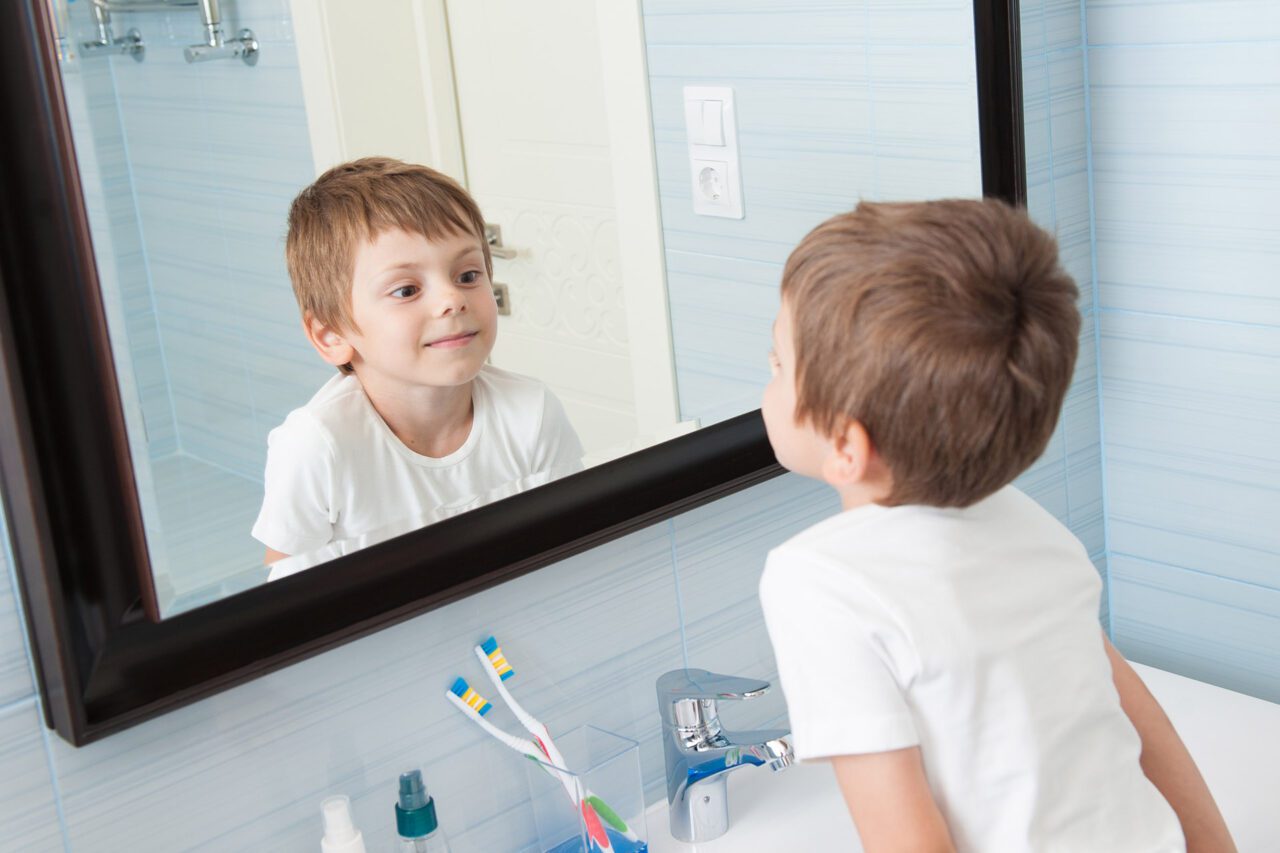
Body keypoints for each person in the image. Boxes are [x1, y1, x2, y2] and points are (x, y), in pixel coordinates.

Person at [758, 198, 1234, 851]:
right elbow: (1135, 714)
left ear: (846, 444)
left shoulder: (819, 581)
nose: (771, 373)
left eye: (779, 364)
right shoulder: (1022, 518)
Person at [253, 157, 583, 566]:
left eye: (467, 275)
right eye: (407, 289)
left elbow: (571, 550)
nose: (452, 299)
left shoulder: (530, 413)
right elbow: (287, 604)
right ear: (331, 335)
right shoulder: (318, 446)